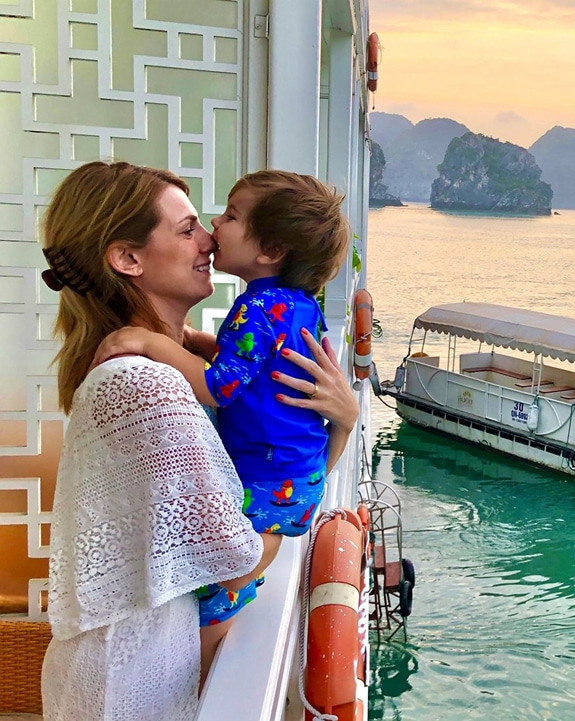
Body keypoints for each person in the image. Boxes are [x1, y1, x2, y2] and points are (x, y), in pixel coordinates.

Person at [38, 161, 357, 721]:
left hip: (149, 669)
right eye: (187, 229)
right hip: (132, 685)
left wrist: (344, 422)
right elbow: (237, 560)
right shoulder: (148, 384)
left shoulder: (166, 365)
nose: (210, 236)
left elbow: (267, 489)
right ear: (128, 259)